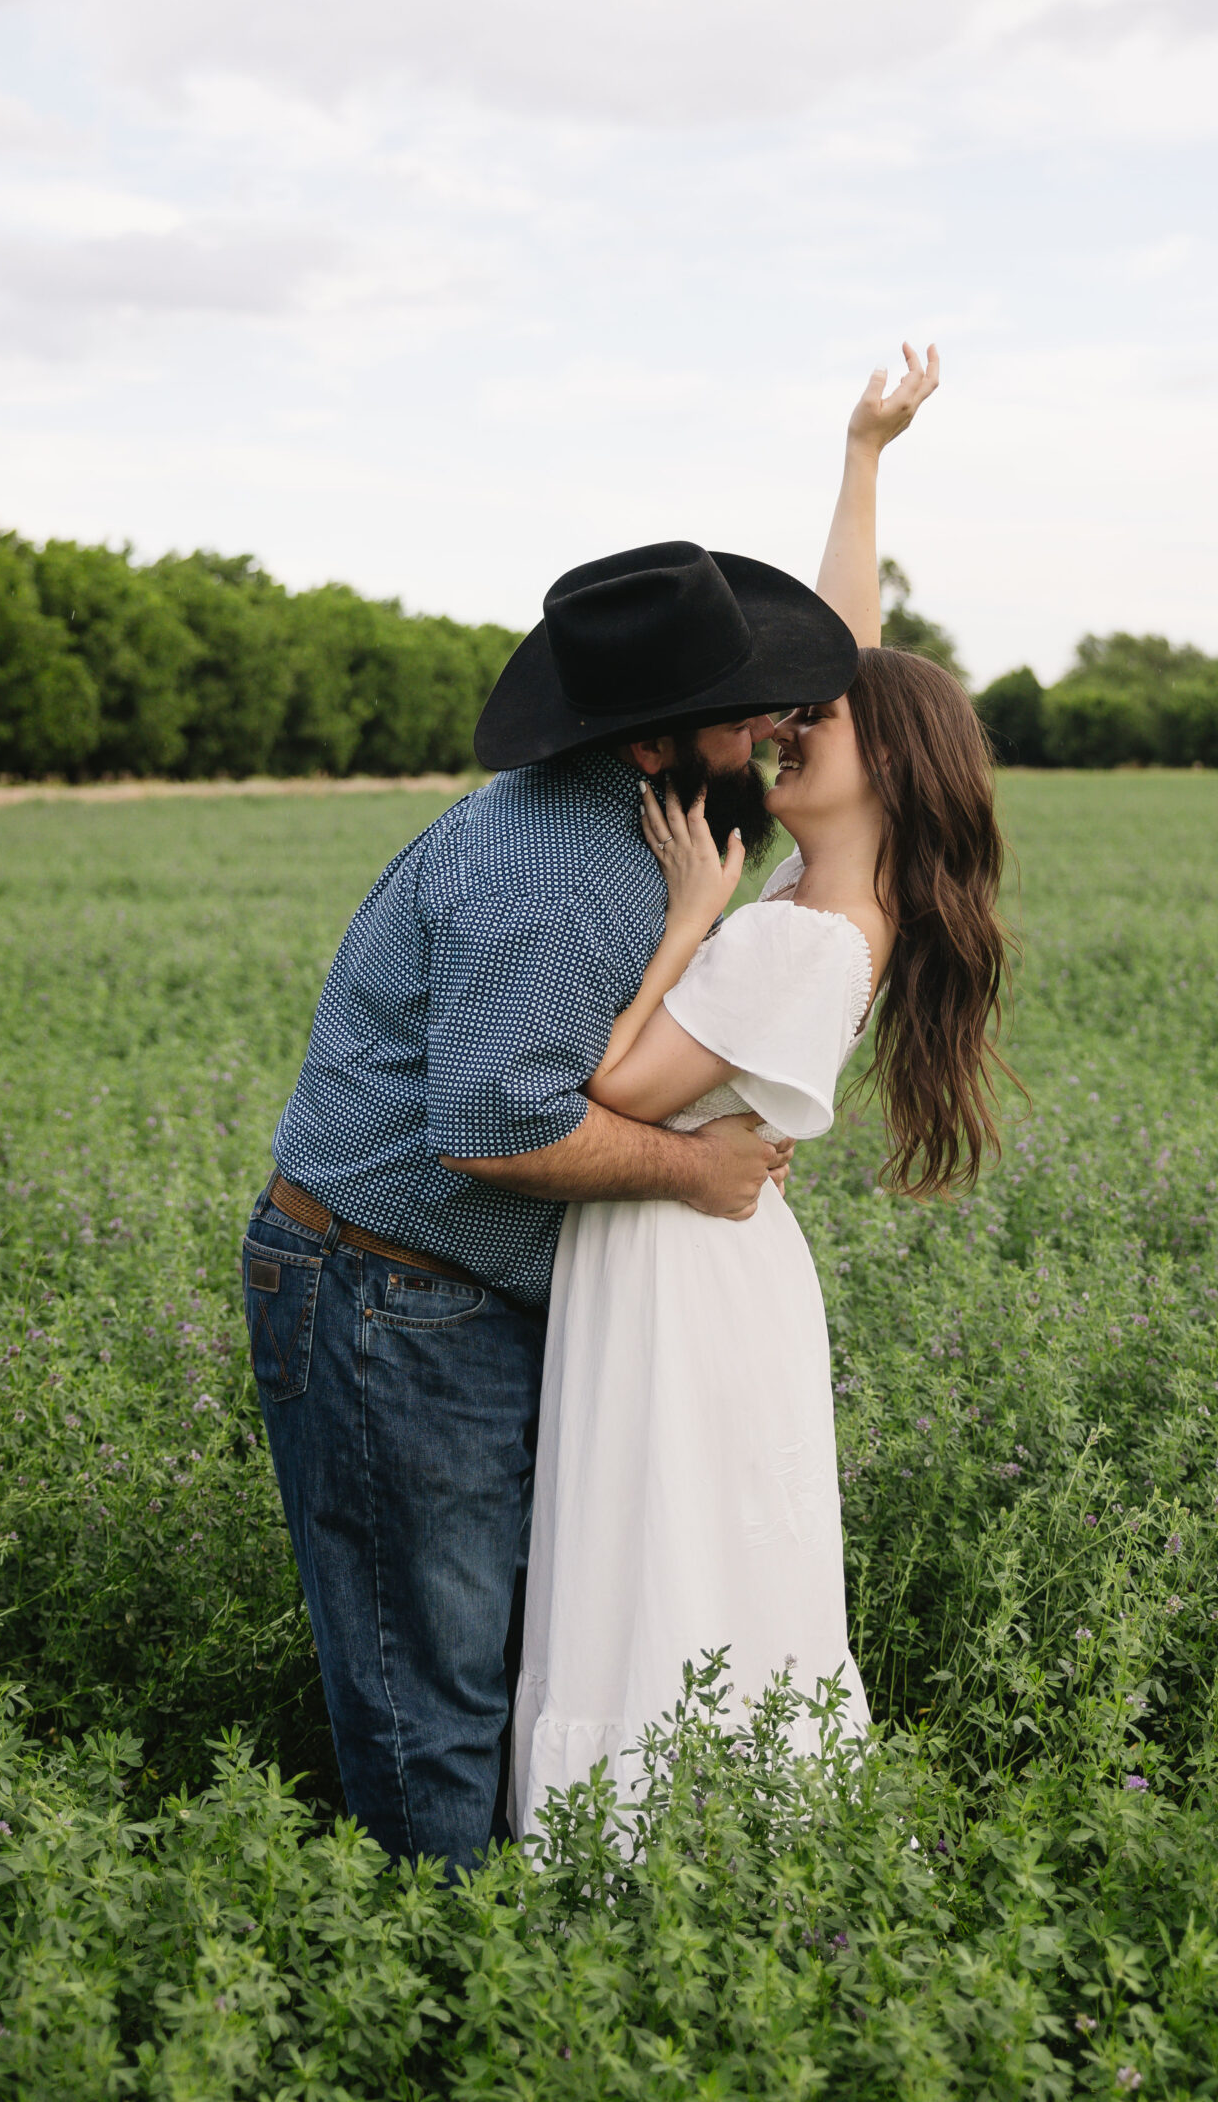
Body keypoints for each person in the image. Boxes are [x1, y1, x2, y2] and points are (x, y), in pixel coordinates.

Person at [241, 428, 877, 1871]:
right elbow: (491, 1127)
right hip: (386, 1294)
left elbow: (848, 694)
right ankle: (438, 1994)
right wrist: (691, 1170)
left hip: (447, 1289)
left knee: (506, 1641)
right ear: (653, 737)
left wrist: (865, 458)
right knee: (435, 1685)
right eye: (741, 713)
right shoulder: (560, 868)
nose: (774, 727)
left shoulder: (663, 806)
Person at [508, 350, 1011, 1829]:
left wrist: (678, 922)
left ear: (891, 768)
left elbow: (610, 1081)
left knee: (661, 1551)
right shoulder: (830, 892)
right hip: (693, 1258)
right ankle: (704, 1845)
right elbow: (844, 653)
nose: (783, 728)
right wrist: (864, 459)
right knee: (686, 1547)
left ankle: (653, 1857)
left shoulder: (798, 932)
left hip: (678, 1264)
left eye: (810, 730)